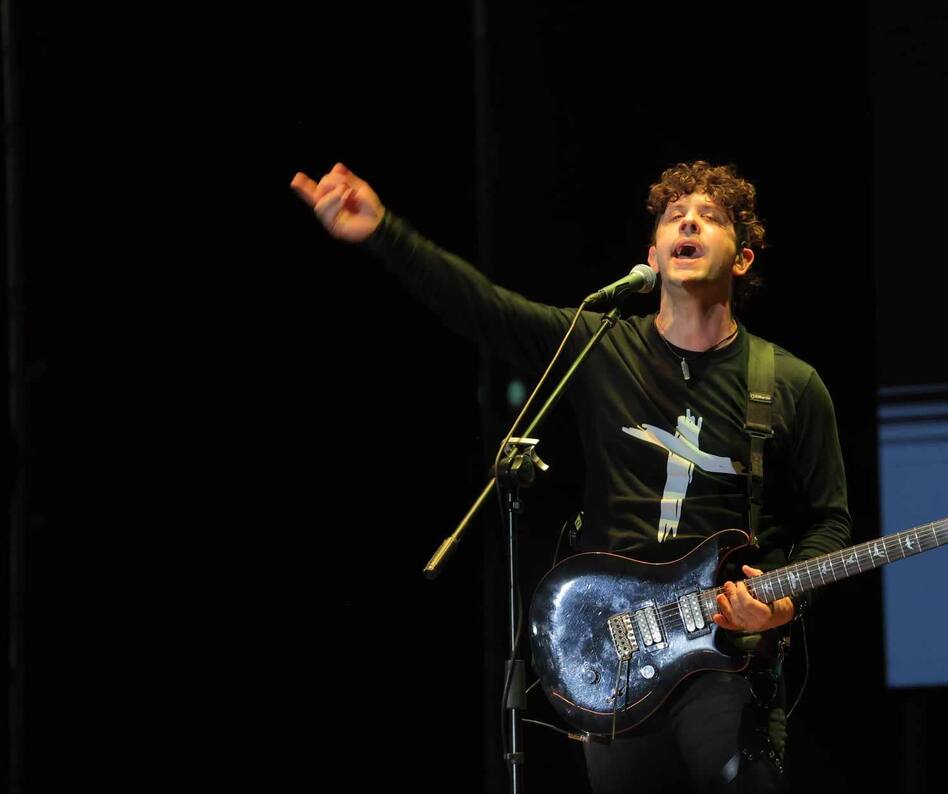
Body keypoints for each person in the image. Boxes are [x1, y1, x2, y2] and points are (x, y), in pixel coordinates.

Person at [291, 160, 851, 792]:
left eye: (710, 218)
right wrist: (385, 232)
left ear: (742, 259)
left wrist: (782, 601)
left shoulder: (791, 384)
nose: (688, 223)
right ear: (652, 254)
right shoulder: (599, 345)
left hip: (727, 662)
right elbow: (487, 311)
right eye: (674, 217)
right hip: (619, 658)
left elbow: (831, 518)